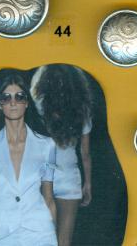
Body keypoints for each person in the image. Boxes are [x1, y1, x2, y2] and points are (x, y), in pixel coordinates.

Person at [0, 69, 58, 246]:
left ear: (27, 102)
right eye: (6, 97)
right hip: (4, 234)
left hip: (42, 234)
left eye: (19, 96)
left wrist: (54, 234)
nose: (13, 102)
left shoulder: (47, 145)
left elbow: (49, 198)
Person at [30, 64, 92, 246]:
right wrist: (88, 184)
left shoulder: (40, 106)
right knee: (64, 241)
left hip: (42, 177)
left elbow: (34, 86)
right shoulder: (82, 110)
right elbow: (85, 153)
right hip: (69, 177)